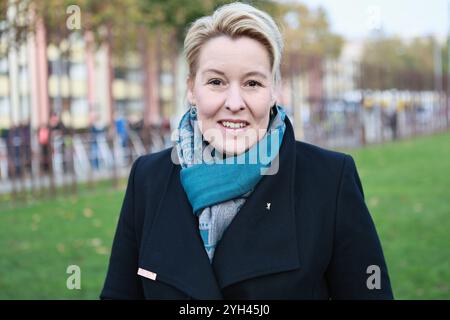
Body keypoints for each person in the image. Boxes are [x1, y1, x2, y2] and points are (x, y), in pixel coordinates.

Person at [101, 2, 393, 300]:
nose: (235, 102)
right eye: (216, 82)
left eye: (252, 83)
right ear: (191, 88)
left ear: (274, 91)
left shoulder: (329, 179)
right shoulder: (148, 178)